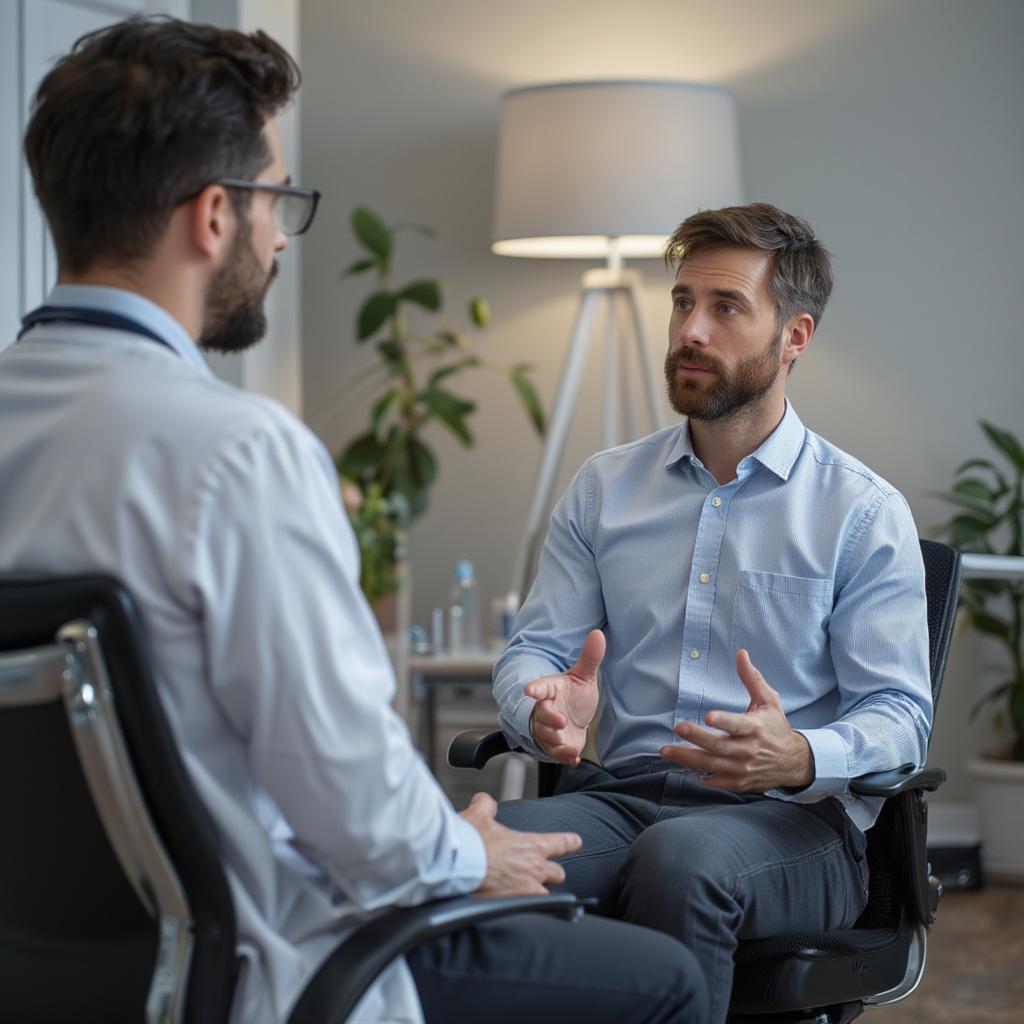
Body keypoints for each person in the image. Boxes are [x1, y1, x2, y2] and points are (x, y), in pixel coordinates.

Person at [0, 16, 709, 1024]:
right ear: (213, 216)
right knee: (666, 983)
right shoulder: (238, 454)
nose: (280, 234)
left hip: (41, 976)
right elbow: (365, 822)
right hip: (267, 971)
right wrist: (475, 847)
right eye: (274, 199)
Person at [494, 202, 932, 1022]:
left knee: (683, 858)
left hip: (795, 828)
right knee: (479, 849)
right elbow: (535, 652)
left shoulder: (862, 511)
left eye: (726, 307)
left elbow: (901, 717)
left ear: (794, 335)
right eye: (683, 301)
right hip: (623, 797)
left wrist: (801, 753)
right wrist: (541, 705)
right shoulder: (604, 489)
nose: (691, 329)